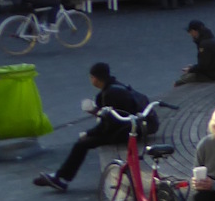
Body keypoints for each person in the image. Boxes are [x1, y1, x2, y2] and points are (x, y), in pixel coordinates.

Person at [33, 63, 144, 192]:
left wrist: (88, 133)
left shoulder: (109, 94)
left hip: (123, 131)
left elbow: (108, 125)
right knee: (84, 142)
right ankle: (61, 177)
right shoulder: (117, 86)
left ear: (94, 78)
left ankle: (61, 178)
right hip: (130, 126)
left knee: (81, 144)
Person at [175, 21, 215, 86]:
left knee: (180, 81)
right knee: (188, 74)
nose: (189, 34)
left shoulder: (204, 44)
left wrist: (190, 69)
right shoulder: (213, 39)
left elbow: (203, 66)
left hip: (213, 75)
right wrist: (193, 68)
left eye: (190, 31)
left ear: (194, 31)